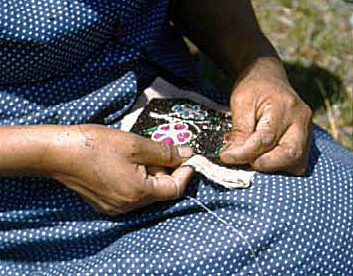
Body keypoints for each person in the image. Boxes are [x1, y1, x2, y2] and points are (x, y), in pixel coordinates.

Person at [0, 0, 352, 275]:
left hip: (159, 98)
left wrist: (258, 66)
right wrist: (47, 151)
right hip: (23, 182)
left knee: (338, 215)